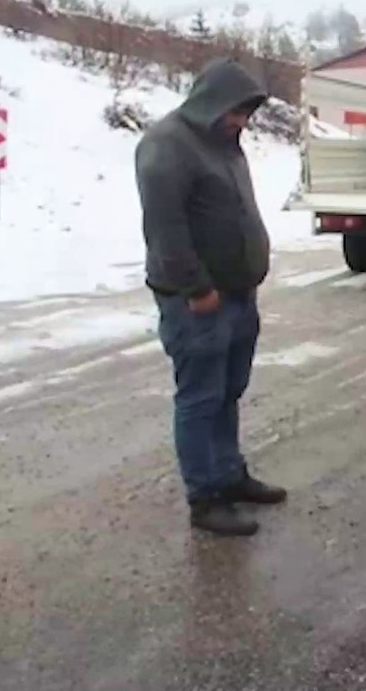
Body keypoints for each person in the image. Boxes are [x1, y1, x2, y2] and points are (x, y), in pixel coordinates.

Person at [136, 57, 288, 537]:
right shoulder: (167, 145)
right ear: (211, 102)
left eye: (246, 114)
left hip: (239, 294)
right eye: (236, 112)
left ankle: (229, 474)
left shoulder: (223, 143)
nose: (241, 122)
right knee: (201, 397)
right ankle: (205, 497)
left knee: (228, 391)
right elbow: (166, 230)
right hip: (197, 301)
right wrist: (197, 288)